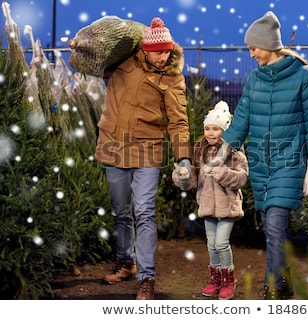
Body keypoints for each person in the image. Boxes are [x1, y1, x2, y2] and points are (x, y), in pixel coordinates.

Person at [205, 11, 308, 299]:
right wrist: (221, 155)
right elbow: (241, 121)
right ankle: (285, 284)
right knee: (274, 231)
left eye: (253, 48)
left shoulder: (303, 76)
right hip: (261, 165)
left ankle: (271, 289)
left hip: (289, 163)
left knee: (274, 226)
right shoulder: (255, 80)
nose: (251, 55)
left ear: (269, 45)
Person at [94, 17, 192, 300]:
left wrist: (183, 157)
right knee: (120, 212)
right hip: (113, 145)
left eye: (167, 51)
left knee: (145, 212)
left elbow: (178, 121)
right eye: (159, 51)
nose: (164, 57)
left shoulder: (172, 77)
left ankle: (146, 276)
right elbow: (85, 63)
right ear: (146, 49)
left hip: (147, 150)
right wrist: (84, 46)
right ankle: (126, 261)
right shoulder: (121, 63)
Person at [173, 101, 248, 300]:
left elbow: (242, 179)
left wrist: (222, 173)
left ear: (225, 130)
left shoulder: (235, 152)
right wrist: (183, 175)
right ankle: (215, 279)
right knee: (211, 244)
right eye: (208, 128)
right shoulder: (201, 151)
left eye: (216, 129)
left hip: (227, 207)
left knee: (222, 243)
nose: (211, 133)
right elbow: (192, 180)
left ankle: (228, 280)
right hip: (207, 206)